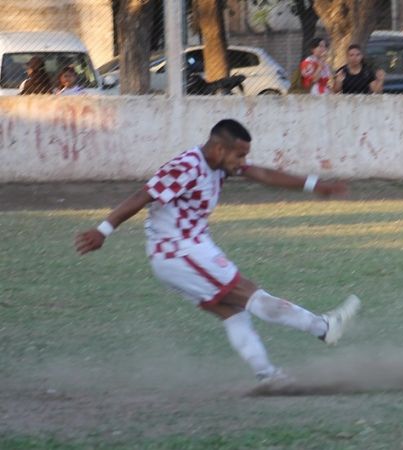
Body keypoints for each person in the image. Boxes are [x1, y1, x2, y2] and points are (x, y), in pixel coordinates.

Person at [74, 119, 361, 383]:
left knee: (234, 312)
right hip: (179, 252)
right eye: (239, 155)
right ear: (220, 148)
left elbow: (263, 174)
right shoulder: (187, 166)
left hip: (184, 252)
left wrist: (316, 186)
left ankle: (268, 376)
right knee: (250, 295)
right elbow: (142, 195)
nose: (243, 163)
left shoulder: (220, 164)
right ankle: (322, 327)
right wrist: (103, 230)